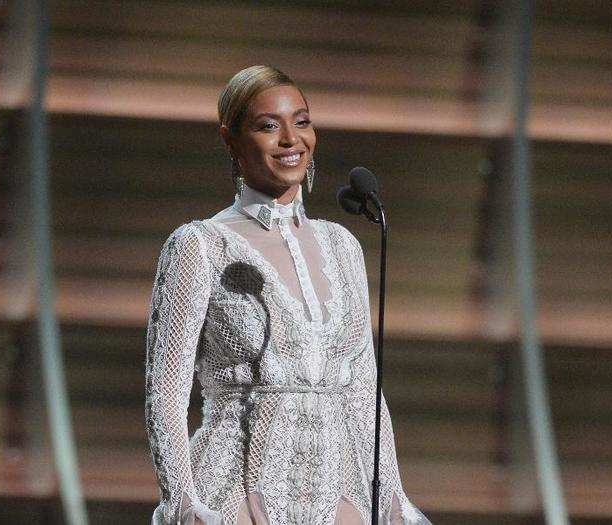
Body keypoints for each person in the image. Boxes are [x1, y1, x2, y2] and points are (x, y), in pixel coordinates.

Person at [145, 65, 432, 525]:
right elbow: (166, 391)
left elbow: (362, 391)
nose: (290, 139)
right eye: (267, 126)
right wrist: (182, 501)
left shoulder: (342, 246)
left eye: (301, 122)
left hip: (339, 491)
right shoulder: (199, 246)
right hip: (235, 487)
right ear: (231, 141)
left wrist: (392, 497)